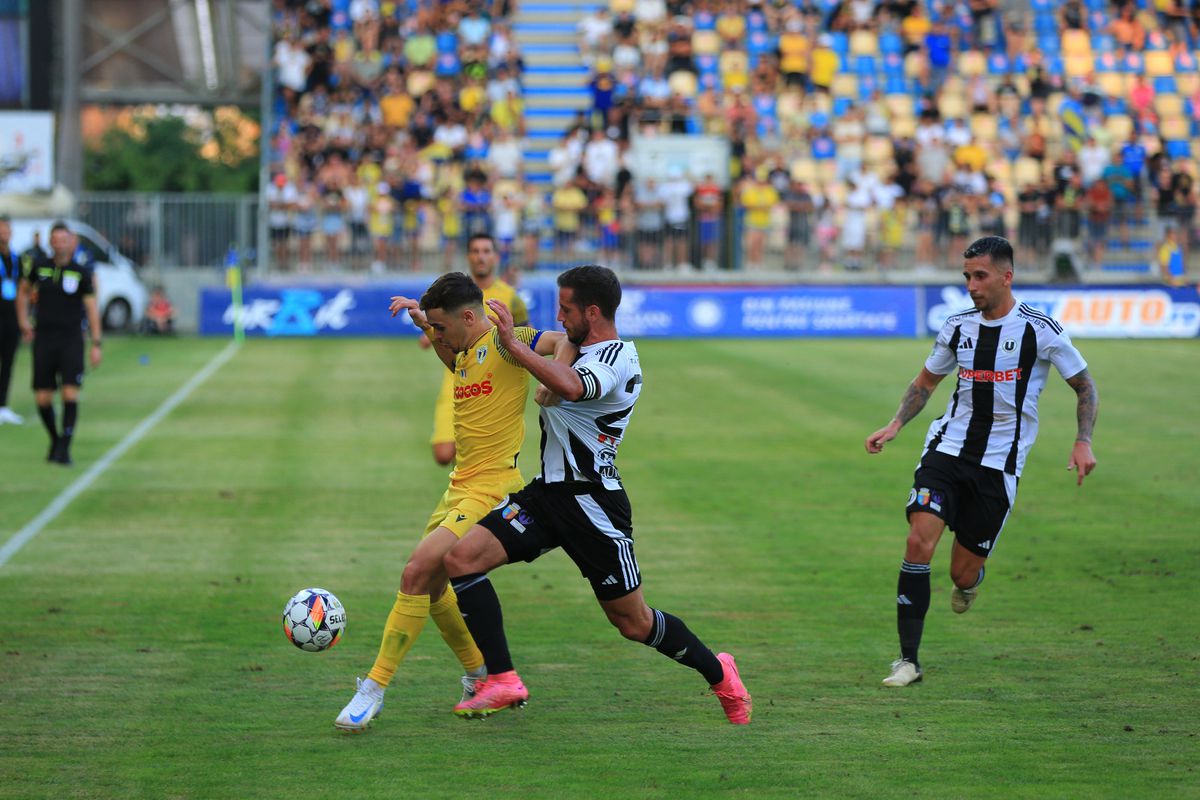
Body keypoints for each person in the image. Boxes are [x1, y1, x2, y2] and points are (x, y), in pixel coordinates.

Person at [442, 265, 752, 724]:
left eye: (565, 310)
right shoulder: (574, 347)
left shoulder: (616, 358)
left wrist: (514, 345)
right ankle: (504, 678)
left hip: (592, 506)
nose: (559, 317)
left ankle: (720, 672)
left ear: (592, 311)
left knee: (634, 623)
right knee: (460, 561)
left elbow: (568, 387)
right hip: (547, 498)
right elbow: (493, 355)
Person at [333, 272, 567, 732]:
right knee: (436, 589)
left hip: (491, 488)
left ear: (467, 316)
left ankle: (374, 689)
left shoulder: (508, 340)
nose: (437, 336)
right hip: (461, 486)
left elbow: (562, 342)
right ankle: (481, 675)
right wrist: (425, 324)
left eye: (442, 327)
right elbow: (455, 356)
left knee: (416, 572)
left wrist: (554, 387)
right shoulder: (465, 352)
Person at [864, 236, 1099, 688]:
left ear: (1006, 276)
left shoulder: (1040, 329)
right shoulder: (957, 326)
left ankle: (971, 581)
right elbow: (925, 383)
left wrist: (1082, 440)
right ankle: (908, 661)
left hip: (999, 465)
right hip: (946, 452)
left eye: (980, 276)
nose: (972, 285)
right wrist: (895, 424)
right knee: (918, 542)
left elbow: (1085, 386)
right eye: (966, 276)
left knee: (961, 572)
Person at [426, 234, 529, 467]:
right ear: (468, 256)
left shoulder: (510, 296)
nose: (480, 257)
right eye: (475, 251)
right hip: (455, 376)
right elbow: (435, 330)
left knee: (481, 451)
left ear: (495, 257)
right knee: (443, 454)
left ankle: (472, 491)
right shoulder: (453, 294)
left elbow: (524, 332)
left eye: (486, 251)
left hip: (490, 383)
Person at [15, 222, 103, 465]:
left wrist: (97, 343)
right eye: (56, 239)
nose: (60, 244)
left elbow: (92, 308)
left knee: (69, 392)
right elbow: (23, 292)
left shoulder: (81, 272)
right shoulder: (40, 267)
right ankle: (55, 439)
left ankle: (64, 448)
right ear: (50, 242)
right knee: (43, 398)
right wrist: (23, 321)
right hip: (43, 338)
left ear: (71, 242)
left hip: (71, 339)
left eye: (64, 239)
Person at [0, 215, 24, 424]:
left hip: (11, 319)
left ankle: (3, 406)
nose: (4, 234)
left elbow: (23, 289)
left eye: (6, 230)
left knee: (8, 363)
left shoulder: (16, 259)